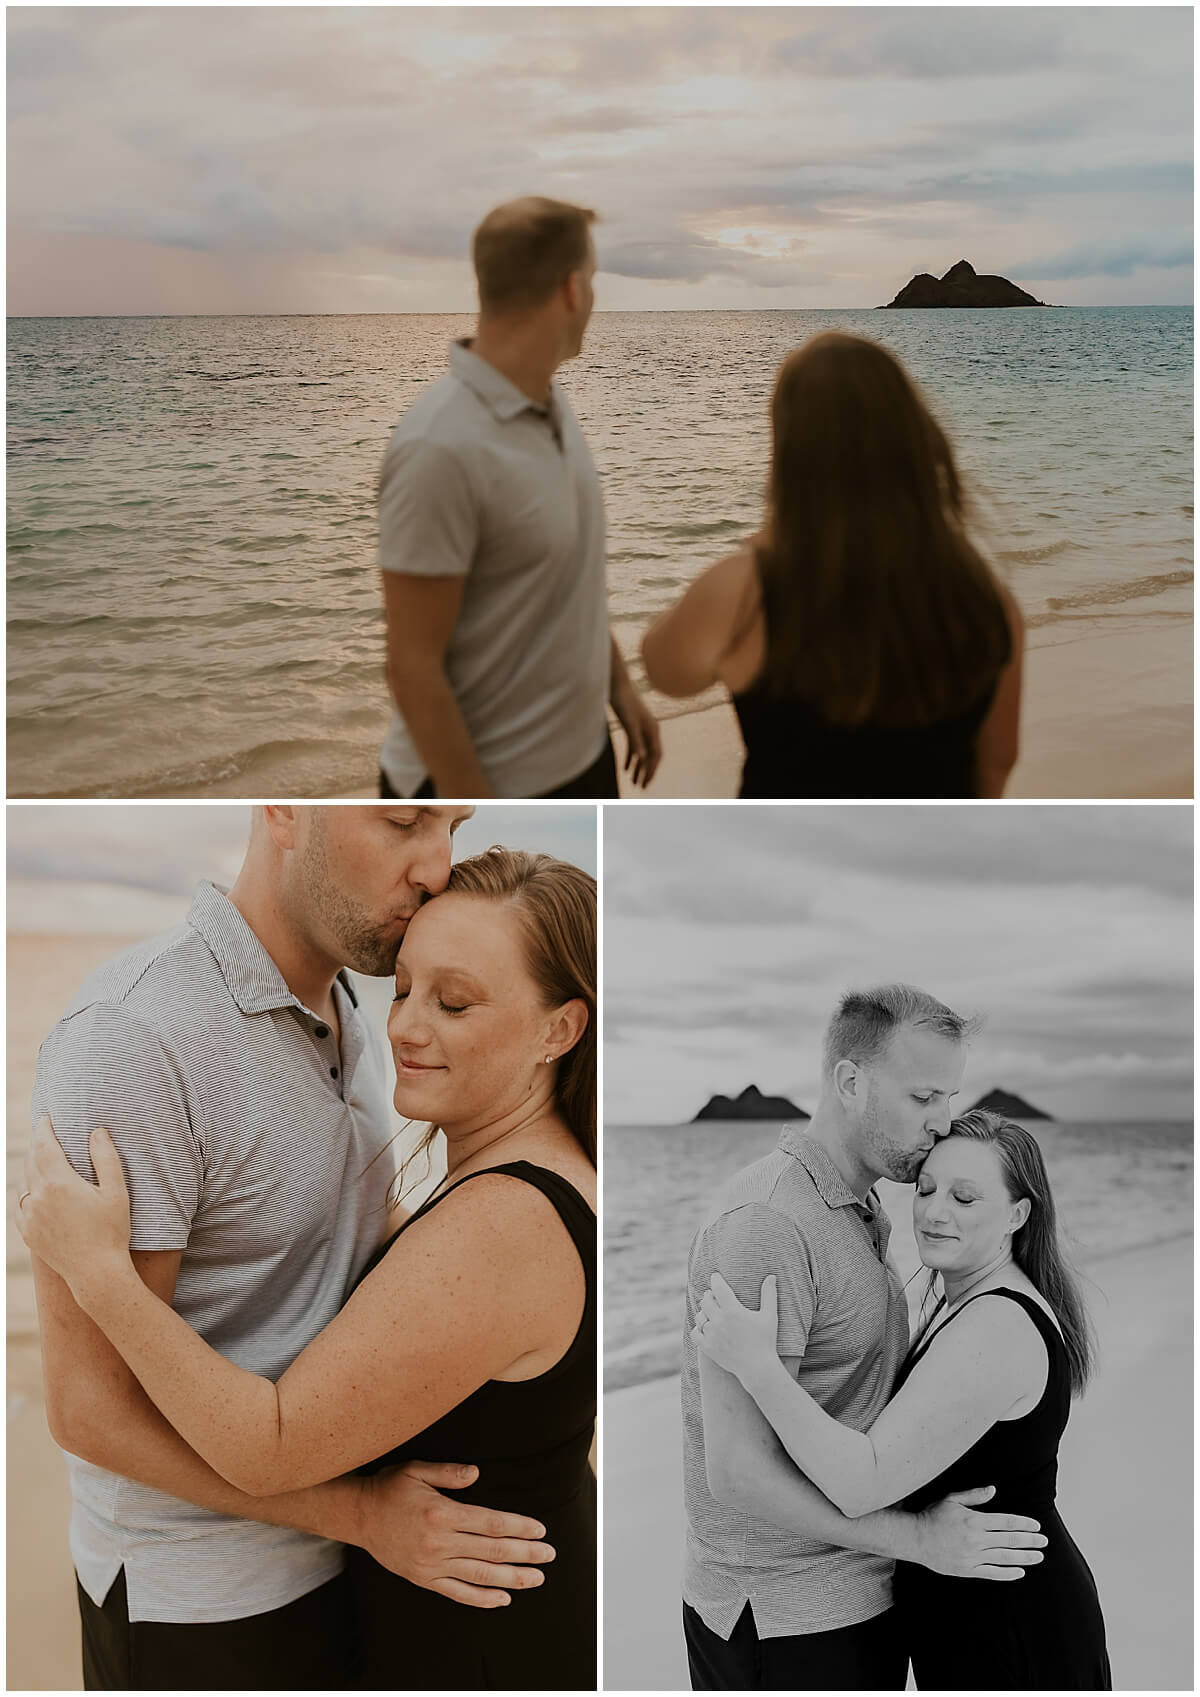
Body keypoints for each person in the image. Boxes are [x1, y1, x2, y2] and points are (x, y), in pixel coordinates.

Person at [22, 846, 598, 1693]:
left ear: (560, 1028)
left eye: (455, 1001)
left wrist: (100, 1275)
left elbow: (275, 1441)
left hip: (480, 1646)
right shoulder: (522, 1180)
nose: (404, 1024)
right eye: (402, 987)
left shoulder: (504, 1219)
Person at [681, 984, 1050, 1692]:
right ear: (850, 1082)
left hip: (860, 1595)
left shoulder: (860, 1206)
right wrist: (917, 1539)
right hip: (785, 1615)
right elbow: (736, 1471)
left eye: (949, 1096)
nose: (943, 1122)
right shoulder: (768, 1223)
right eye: (923, 1098)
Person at [694, 1108, 1111, 1690]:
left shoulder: (995, 1324)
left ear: (1017, 1214)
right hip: (982, 1608)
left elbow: (861, 1482)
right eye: (928, 1189)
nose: (936, 1212)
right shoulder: (969, 1299)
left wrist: (761, 1369)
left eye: (965, 1199)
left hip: (1012, 1625)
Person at [641, 331, 1024, 798]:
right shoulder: (985, 597)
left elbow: (664, 671)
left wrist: (764, 540)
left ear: (788, 451)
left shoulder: (746, 589)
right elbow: (998, 762)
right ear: (913, 442)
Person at [378, 194, 660, 799]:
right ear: (569, 290)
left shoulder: (549, 403)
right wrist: (483, 814)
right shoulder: (439, 446)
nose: (593, 296)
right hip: (488, 786)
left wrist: (621, 689)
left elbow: (567, 579)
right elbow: (412, 669)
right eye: (592, 278)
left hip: (581, 755)